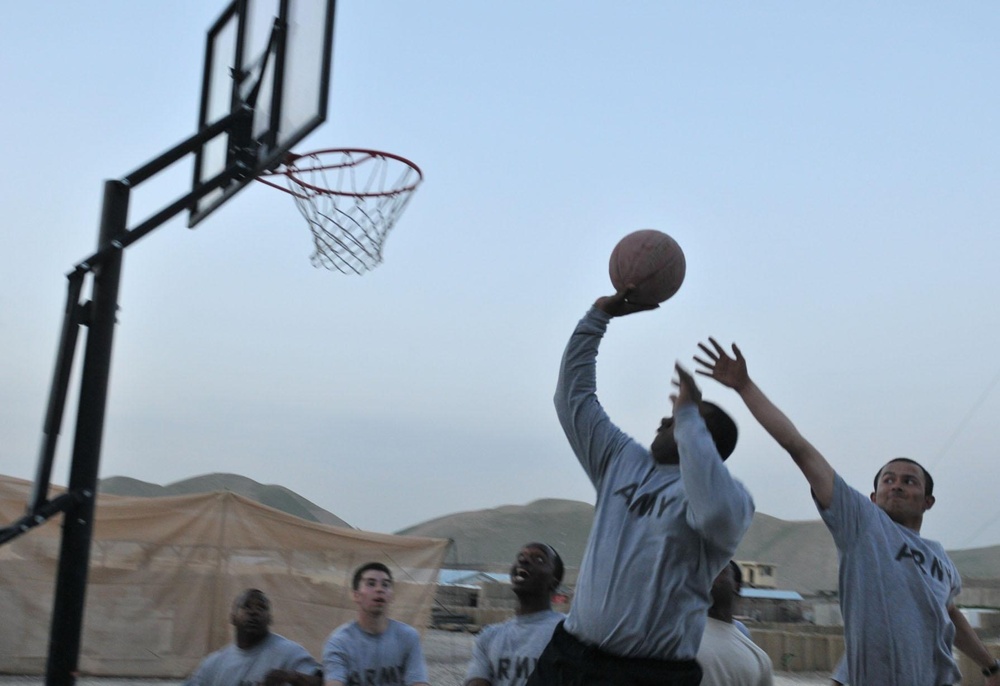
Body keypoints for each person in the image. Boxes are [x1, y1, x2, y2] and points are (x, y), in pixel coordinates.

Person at [694, 337, 1000, 686]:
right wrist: (745, 387)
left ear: (928, 501)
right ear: (872, 496)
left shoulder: (941, 560)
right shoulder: (863, 524)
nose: (897, 485)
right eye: (888, 479)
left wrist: (990, 665)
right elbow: (799, 448)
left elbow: (947, 614)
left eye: (910, 481)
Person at [526, 289, 755, 686]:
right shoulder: (623, 460)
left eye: (678, 420)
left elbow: (715, 511)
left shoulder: (731, 502)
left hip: (650, 675)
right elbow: (573, 398)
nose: (664, 423)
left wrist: (687, 416)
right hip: (569, 658)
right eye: (672, 417)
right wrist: (597, 317)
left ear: (702, 440)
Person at [464, 542, 566, 686]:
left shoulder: (567, 633)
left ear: (554, 582)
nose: (523, 560)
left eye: (539, 559)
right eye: (521, 556)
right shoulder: (488, 636)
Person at [185, 588, 322, 686]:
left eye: (261, 607)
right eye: (246, 606)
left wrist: (291, 677)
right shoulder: (214, 663)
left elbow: (323, 682)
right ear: (232, 617)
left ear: (270, 619)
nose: (254, 612)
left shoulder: (290, 652)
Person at [323, 562, 430, 686]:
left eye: (385, 585)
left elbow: (418, 681)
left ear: (391, 596)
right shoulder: (339, 642)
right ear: (356, 595)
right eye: (371, 584)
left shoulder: (408, 637)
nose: (379, 589)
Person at [697, 561, 774, 686]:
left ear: (737, 586)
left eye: (720, 570)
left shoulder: (758, 659)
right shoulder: (676, 638)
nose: (710, 575)